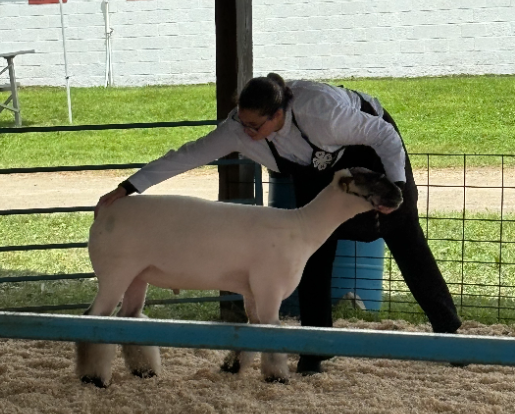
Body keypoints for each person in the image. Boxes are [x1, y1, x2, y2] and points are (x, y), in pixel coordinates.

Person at [95, 73, 462, 375]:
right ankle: (316, 347)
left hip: (367, 148)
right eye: (242, 121)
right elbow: (190, 154)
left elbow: (384, 136)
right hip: (311, 165)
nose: (246, 131)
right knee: (309, 245)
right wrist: (130, 186)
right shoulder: (239, 128)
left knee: (405, 236)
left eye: (255, 125)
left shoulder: (324, 111)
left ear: (278, 113)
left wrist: (396, 185)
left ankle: (451, 334)